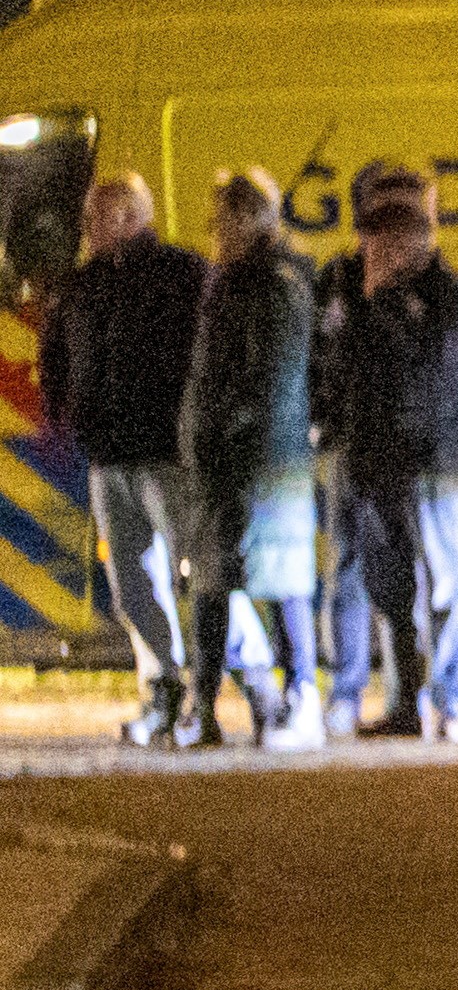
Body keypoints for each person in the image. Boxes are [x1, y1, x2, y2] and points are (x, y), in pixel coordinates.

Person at [314, 159, 458, 739]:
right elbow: (323, 366)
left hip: (434, 466)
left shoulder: (455, 296)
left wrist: (380, 305)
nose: (390, 238)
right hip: (363, 458)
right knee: (374, 587)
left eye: (405, 222)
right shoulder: (339, 284)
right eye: (378, 223)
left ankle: (456, 705)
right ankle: (389, 703)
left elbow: (433, 374)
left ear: (430, 224)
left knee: (447, 586)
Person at [44, 173, 208, 744]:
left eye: (93, 218)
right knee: (133, 586)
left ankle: (251, 684)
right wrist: (64, 411)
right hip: (110, 458)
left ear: (126, 216)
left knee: (207, 575)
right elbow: (57, 352)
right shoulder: (83, 285)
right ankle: (162, 692)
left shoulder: (182, 274)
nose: (85, 230)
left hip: (170, 456)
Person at [177, 165, 326, 749]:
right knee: (215, 584)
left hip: (263, 461)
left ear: (249, 218)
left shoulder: (271, 283)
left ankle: (301, 704)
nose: (215, 229)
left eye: (223, 217)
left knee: (281, 582)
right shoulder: (238, 279)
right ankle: (206, 708)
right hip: (233, 458)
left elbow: (270, 378)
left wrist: (226, 434)